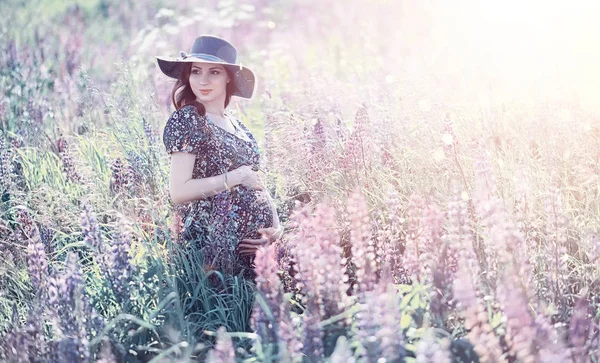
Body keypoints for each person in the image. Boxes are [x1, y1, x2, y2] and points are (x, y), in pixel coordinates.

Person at [156, 35, 282, 280]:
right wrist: (236, 176)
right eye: (195, 71)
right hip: (213, 250)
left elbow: (257, 183)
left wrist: (276, 228)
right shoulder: (189, 119)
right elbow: (178, 191)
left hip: (256, 254)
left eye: (213, 72)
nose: (202, 80)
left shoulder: (238, 125)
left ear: (228, 78)